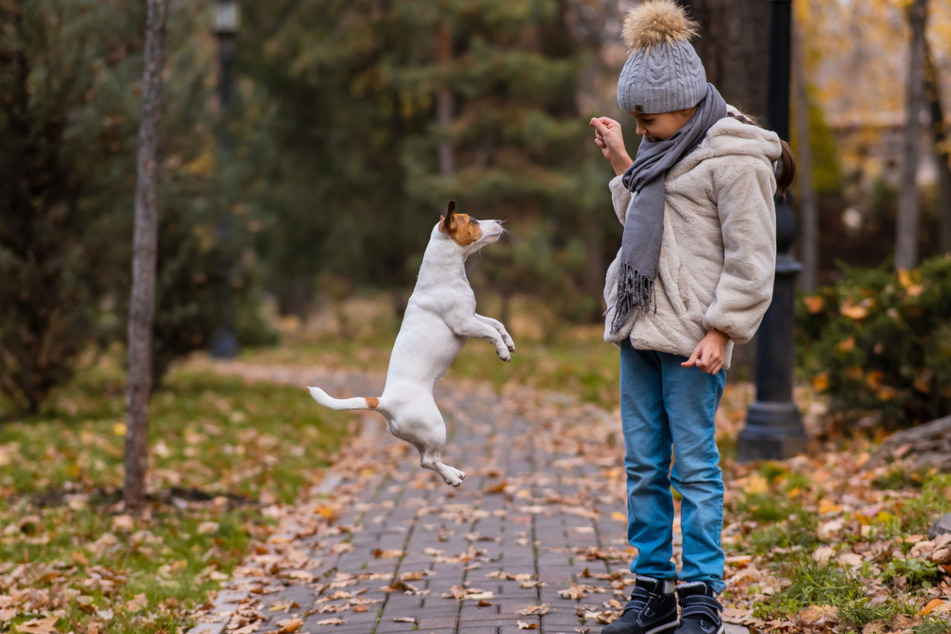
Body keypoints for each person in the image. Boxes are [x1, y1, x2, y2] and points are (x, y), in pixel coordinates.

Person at [588, 2, 796, 634]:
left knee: (694, 468)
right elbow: (653, 232)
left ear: (682, 100)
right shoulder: (661, 147)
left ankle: (702, 591)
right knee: (644, 464)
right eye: (637, 121)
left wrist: (721, 329)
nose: (643, 129)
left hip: (694, 341)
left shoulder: (733, 157)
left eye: (648, 119)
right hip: (639, 329)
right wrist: (625, 162)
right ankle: (652, 588)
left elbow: (753, 258)